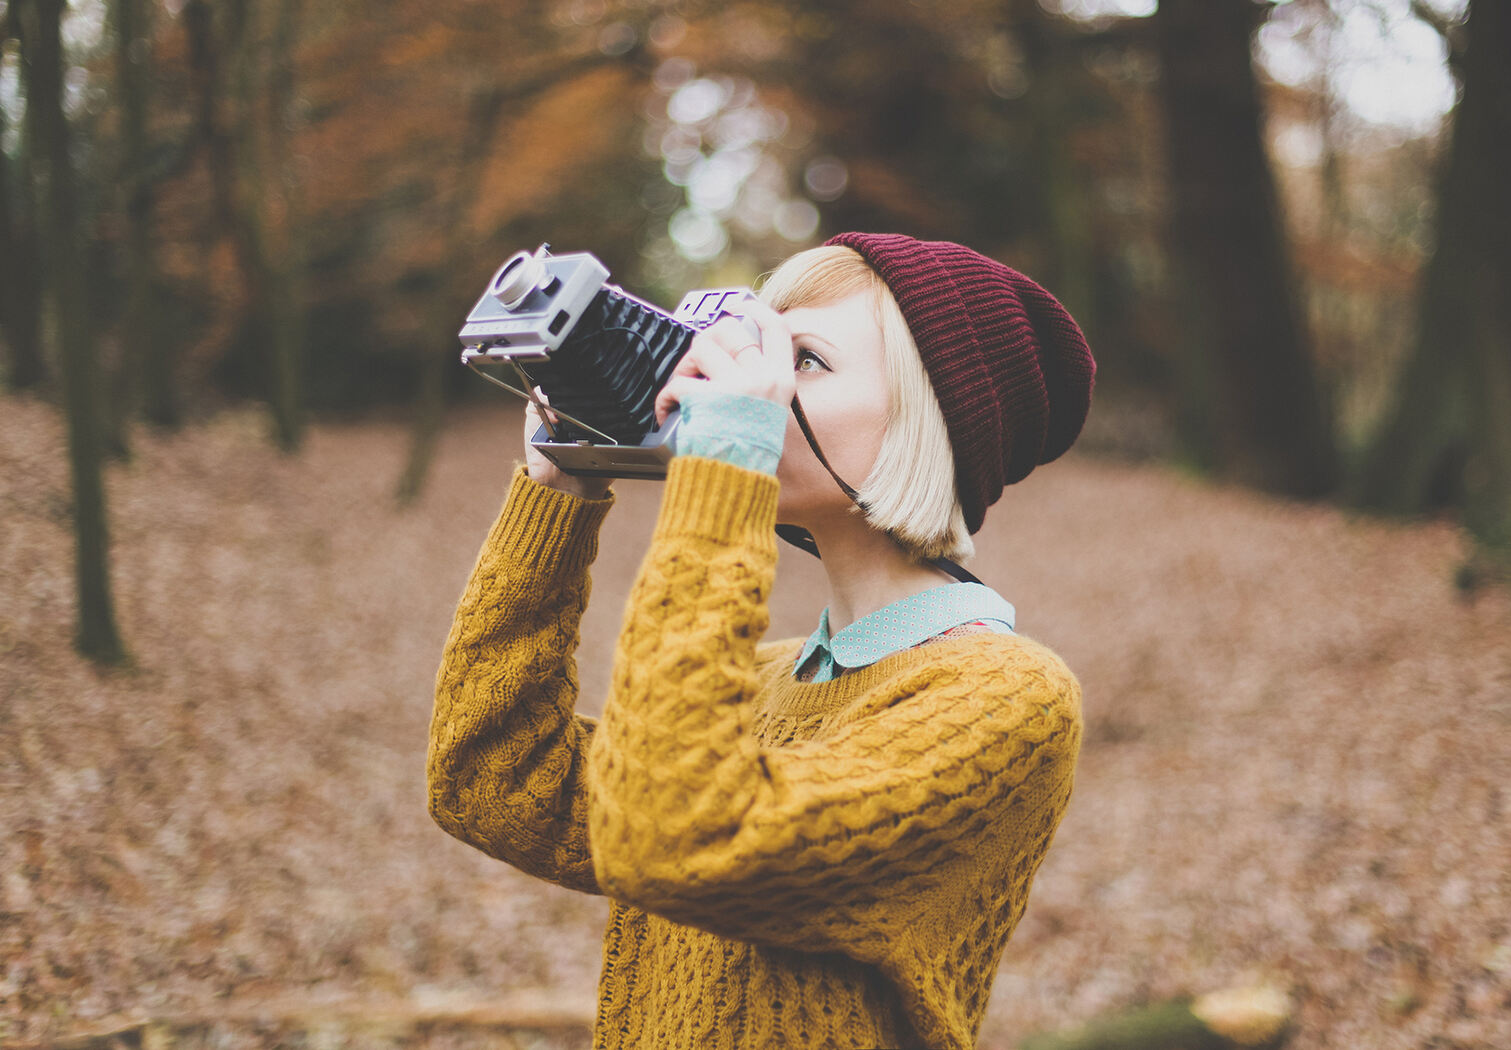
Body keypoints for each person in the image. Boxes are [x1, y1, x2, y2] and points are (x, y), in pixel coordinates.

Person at [428, 232, 1096, 1050]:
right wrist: (557, 485)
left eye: (802, 361)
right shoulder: (762, 676)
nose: (748, 381)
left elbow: (679, 839)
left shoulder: (1005, 697)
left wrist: (723, 478)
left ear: (929, 422)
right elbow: (494, 783)